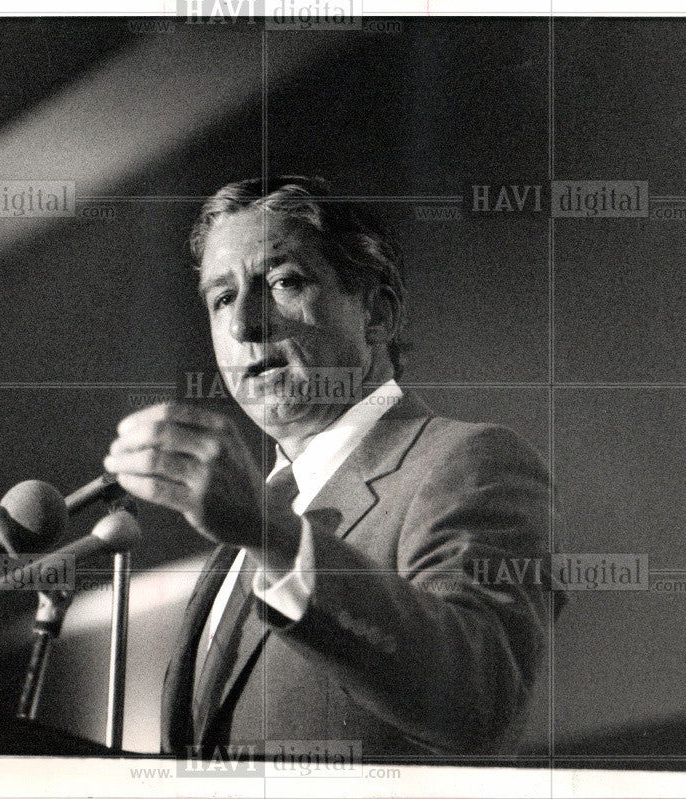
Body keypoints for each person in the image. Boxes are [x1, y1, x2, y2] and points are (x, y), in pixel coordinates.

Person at [103, 176, 560, 760]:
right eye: (222, 298)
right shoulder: (241, 529)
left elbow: (477, 700)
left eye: (283, 282)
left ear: (376, 313)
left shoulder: (469, 463)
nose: (245, 325)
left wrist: (271, 533)